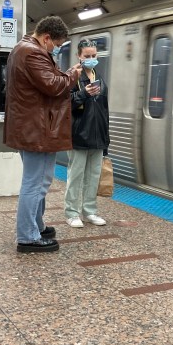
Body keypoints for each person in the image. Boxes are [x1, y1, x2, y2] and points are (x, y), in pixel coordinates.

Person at [3, 16, 82, 253]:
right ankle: (27, 236)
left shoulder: (26, 49)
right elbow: (53, 85)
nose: (56, 49)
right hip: (35, 129)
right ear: (46, 37)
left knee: (42, 180)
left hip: (36, 127)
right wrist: (71, 75)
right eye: (56, 44)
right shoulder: (32, 52)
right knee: (34, 183)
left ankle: (36, 225)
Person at [64, 39, 110, 228]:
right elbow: (64, 104)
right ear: (79, 57)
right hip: (78, 135)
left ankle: (90, 211)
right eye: (87, 56)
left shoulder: (99, 77)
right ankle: (72, 212)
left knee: (93, 176)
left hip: (98, 136)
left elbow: (104, 109)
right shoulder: (73, 77)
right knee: (76, 175)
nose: (91, 59)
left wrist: (106, 139)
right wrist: (84, 93)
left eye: (93, 56)